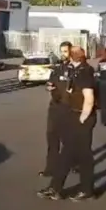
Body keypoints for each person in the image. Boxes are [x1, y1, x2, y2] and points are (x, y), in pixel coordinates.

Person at [39, 46, 97, 201]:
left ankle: (86, 190)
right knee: (68, 154)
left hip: (81, 117)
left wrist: (83, 117)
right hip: (73, 114)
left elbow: (89, 97)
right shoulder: (75, 70)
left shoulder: (85, 72)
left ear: (73, 57)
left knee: (83, 156)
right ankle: (56, 188)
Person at [40, 41, 73, 177]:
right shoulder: (57, 68)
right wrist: (49, 87)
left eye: (65, 51)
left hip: (69, 108)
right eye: (62, 51)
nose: (63, 54)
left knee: (69, 140)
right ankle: (50, 168)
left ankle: (74, 164)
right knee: (52, 138)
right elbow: (49, 83)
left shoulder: (76, 68)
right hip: (55, 107)